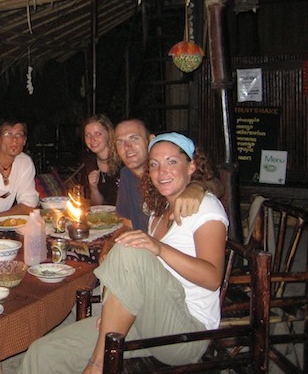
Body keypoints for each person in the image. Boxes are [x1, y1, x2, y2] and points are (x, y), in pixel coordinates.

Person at [19, 133, 229, 373]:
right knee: (43, 353)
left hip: (187, 333)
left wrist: (158, 247)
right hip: (145, 319)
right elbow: (139, 277)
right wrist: (113, 313)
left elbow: (212, 279)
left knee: (132, 250)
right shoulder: (158, 210)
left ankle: (98, 366)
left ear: (191, 166)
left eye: (172, 161)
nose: (162, 171)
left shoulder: (205, 207)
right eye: (154, 164)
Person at [114, 119, 222, 232]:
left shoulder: (172, 178)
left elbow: (216, 185)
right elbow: (127, 224)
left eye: (134, 138)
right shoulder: (126, 175)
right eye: (120, 142)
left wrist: (196, 187)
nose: (127, 146)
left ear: (150, 140)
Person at [80, 114, 122, 205]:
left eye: (98, 134)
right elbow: (98, 206)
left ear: (109, 133)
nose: (92, 139)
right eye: (88, 135)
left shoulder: (124, 160)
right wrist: (93, 187)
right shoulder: (90, 164)